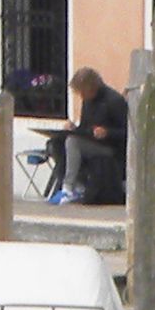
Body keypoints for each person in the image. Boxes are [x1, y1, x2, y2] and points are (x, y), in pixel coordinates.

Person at [55, 62, 126, 206]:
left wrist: (107, 133)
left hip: (110, 148)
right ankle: (78, 184)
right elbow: (85, 127)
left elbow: (126, 132)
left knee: (72, 142)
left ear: (92, 87)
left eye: (83, 91)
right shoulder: (87, 101)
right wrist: (74, 128)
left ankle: (68, 187)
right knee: (58, 142)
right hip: (91, 142)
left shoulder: (114, 101)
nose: (82, 96)